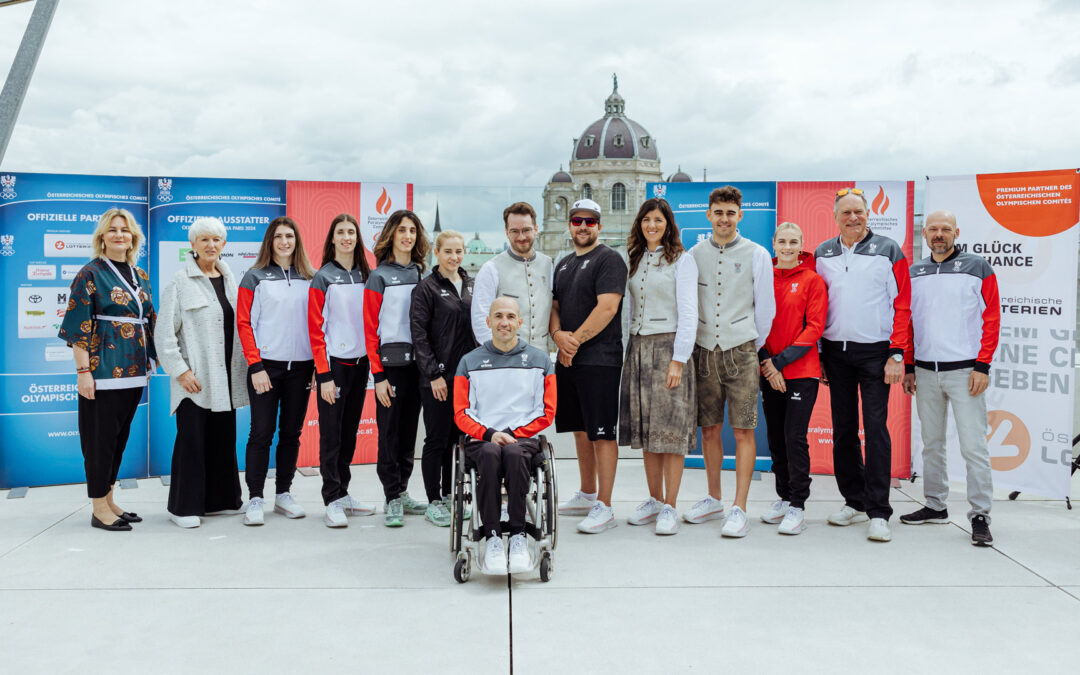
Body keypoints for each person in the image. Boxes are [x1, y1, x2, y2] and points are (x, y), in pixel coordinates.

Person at [814, 187, 911, 543]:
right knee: (843, 431)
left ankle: (879, 511)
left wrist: (897, 353)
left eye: (859, 212)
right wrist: (820, 355)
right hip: (836, 354)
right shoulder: (823, 253)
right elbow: (818, 306)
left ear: (868, 214)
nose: (853, 218)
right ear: (836, 217)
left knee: (876, 429)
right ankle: (853, 502)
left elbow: (902, 304)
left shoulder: (888, 250)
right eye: (846, 213)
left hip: (876, 353)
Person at [901, 210, 999, 546]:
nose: (939, 234)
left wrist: (982, 365)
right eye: (933, 229)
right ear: (925, 234)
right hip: (926, 371)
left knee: (973, 446)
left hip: (965, 371)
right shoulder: (915, 272)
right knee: (932, 445)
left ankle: (981, 515)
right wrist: (910, 366)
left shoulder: (977, 267)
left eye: (945, 229)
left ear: (956, 232)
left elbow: (992, 317)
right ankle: (934, 505)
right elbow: (910, 323)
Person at [58, 208, 156, 531]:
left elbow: (149, 321)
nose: (119, 235)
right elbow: (78, 326)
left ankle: (110, 499)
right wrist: (82, 372)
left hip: (133, 372)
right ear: (102, 236)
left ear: (133, 238)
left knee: (118, 439)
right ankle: (99, 508)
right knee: (99, 440)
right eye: (112, 230)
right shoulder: (90, 274)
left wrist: (152, 359)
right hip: (101, 373)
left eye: (125, 230)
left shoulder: (139, 276)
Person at [686, 186, 775, 538]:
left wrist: (752, 344)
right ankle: (713, 498)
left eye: (730, 213)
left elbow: (765, 310)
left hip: (742, 350)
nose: (724, 219)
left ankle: (739, 507)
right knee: (708, 429)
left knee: (743, 429)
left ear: (740, 216)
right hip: (704, 350)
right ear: (708, 215)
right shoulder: (693, 254)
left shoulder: (757, 254)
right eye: (718, 212)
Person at [155, 217, 249, 529]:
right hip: (194, 380)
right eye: (204, 240)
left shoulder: (231, 280)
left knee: (222, 439)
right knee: (191, 443)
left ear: (224, 245)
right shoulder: (179, 282)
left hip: (226, 378)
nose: (211, 245)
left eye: (216, 240)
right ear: (192, 245)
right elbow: (164, 335)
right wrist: (181, 372)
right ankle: (182, 508)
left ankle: (221, 501)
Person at [454, 297, 556, 574]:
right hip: (483, 439)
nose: (504, 322)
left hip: (522, 439)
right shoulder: (469, 362)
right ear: (488, 322)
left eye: (511, 316)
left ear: (520, 322)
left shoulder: (540, 361)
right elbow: (461, 413)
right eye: (498, 316)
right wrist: (490, 434)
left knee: (512, 452)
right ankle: (494, 537)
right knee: (489, 453)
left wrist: (510, 433)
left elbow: (547, 412)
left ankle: (519, 535)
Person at [618, 198, 698, 535]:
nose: (652, 225)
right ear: (640, 223)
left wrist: (678, 359)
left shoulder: (682, 259)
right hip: (638, 348)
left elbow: (689, 312)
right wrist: (625, 351)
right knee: (648, 432)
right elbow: (626, 310)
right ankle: (653, 499)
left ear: (668, 224)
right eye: (647, 220)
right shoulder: (633, 259)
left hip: (669, 349)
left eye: (659, 220)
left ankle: (671, 506)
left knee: (671, 432)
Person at [551, 198, 629, 534]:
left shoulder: (610, 259)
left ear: (599, 225)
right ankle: (586, 493)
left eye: (590, 221)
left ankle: (605, 505)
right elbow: (554, 305)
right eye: (577, 220)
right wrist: (557, 335)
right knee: (580, 429)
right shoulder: (564, 263)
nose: (583, 226)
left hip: (600, 359)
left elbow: (607, 308)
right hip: (568, 358)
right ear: (570, 224)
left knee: (601, 432)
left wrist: (573, 341)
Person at [236, 216, 316, 526]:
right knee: (261, 433)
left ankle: (283, 493)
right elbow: (244, 324)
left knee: (291, 434)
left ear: (297, 241)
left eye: (290, 236)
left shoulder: (310, 277)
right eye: (278, 236)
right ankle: (255, 497)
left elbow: (318, 324)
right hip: (265, 369)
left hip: (301, 369)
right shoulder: (254, 277)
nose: (284, 242)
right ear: (270, 241)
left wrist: (316, 368)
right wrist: (256, 366)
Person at [758, 222, 828, 536]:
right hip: (768, 370)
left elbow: (814, 328)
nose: (787, 247)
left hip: (800, 372)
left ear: (801, 246)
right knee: (775, 437)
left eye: (794, 242)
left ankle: (798, 504)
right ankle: (784, 498)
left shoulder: (812, 280)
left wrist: (779, 365)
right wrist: (766, 364)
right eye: (782, 241)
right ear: (773, 244)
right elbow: (753, 322)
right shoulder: (762, 278)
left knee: (794, 437)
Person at [308, 213, 376, 528]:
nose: (347, 237)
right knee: (331, 436)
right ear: (332, 239)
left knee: (349, 434)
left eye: (351, 232)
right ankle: (331, 498)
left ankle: (344, 492)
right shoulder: (323, 277)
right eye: (341, 232)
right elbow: (315, 329)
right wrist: (323, 375)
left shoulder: (367, 274)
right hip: (334, 367)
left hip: (361, 366)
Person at [364, 209, 430, 527]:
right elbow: (369, 329)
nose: (407, 235)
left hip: (417, 368)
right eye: (402, 230)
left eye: (413, 231)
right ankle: (390, 496)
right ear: (391, 234)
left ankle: (403, 491)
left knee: (407, 434)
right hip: (389, 369)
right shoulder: (378, 277)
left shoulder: (420, 274)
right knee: (389, 434)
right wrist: (378, 376)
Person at [410, 230, 477, 527]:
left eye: (458, 251)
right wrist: (433, 374)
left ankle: (451, 494)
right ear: (436, 253)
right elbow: (419, 335)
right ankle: (433, 499)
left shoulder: (471, 285)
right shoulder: (425, 288)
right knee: (436, 439)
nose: (454, 257)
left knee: (457, 440)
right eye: (448, 251)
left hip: (465, 380)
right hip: (436, 379)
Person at [471, 201, 553, 345]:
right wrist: (498, 356)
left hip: (541, 359)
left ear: (536, 229)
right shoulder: (491, 268)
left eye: (526, 230)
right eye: (515, 231)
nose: (521, 237)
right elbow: (480, 319)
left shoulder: (548, 265)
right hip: (505, 359)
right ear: (506, 232)